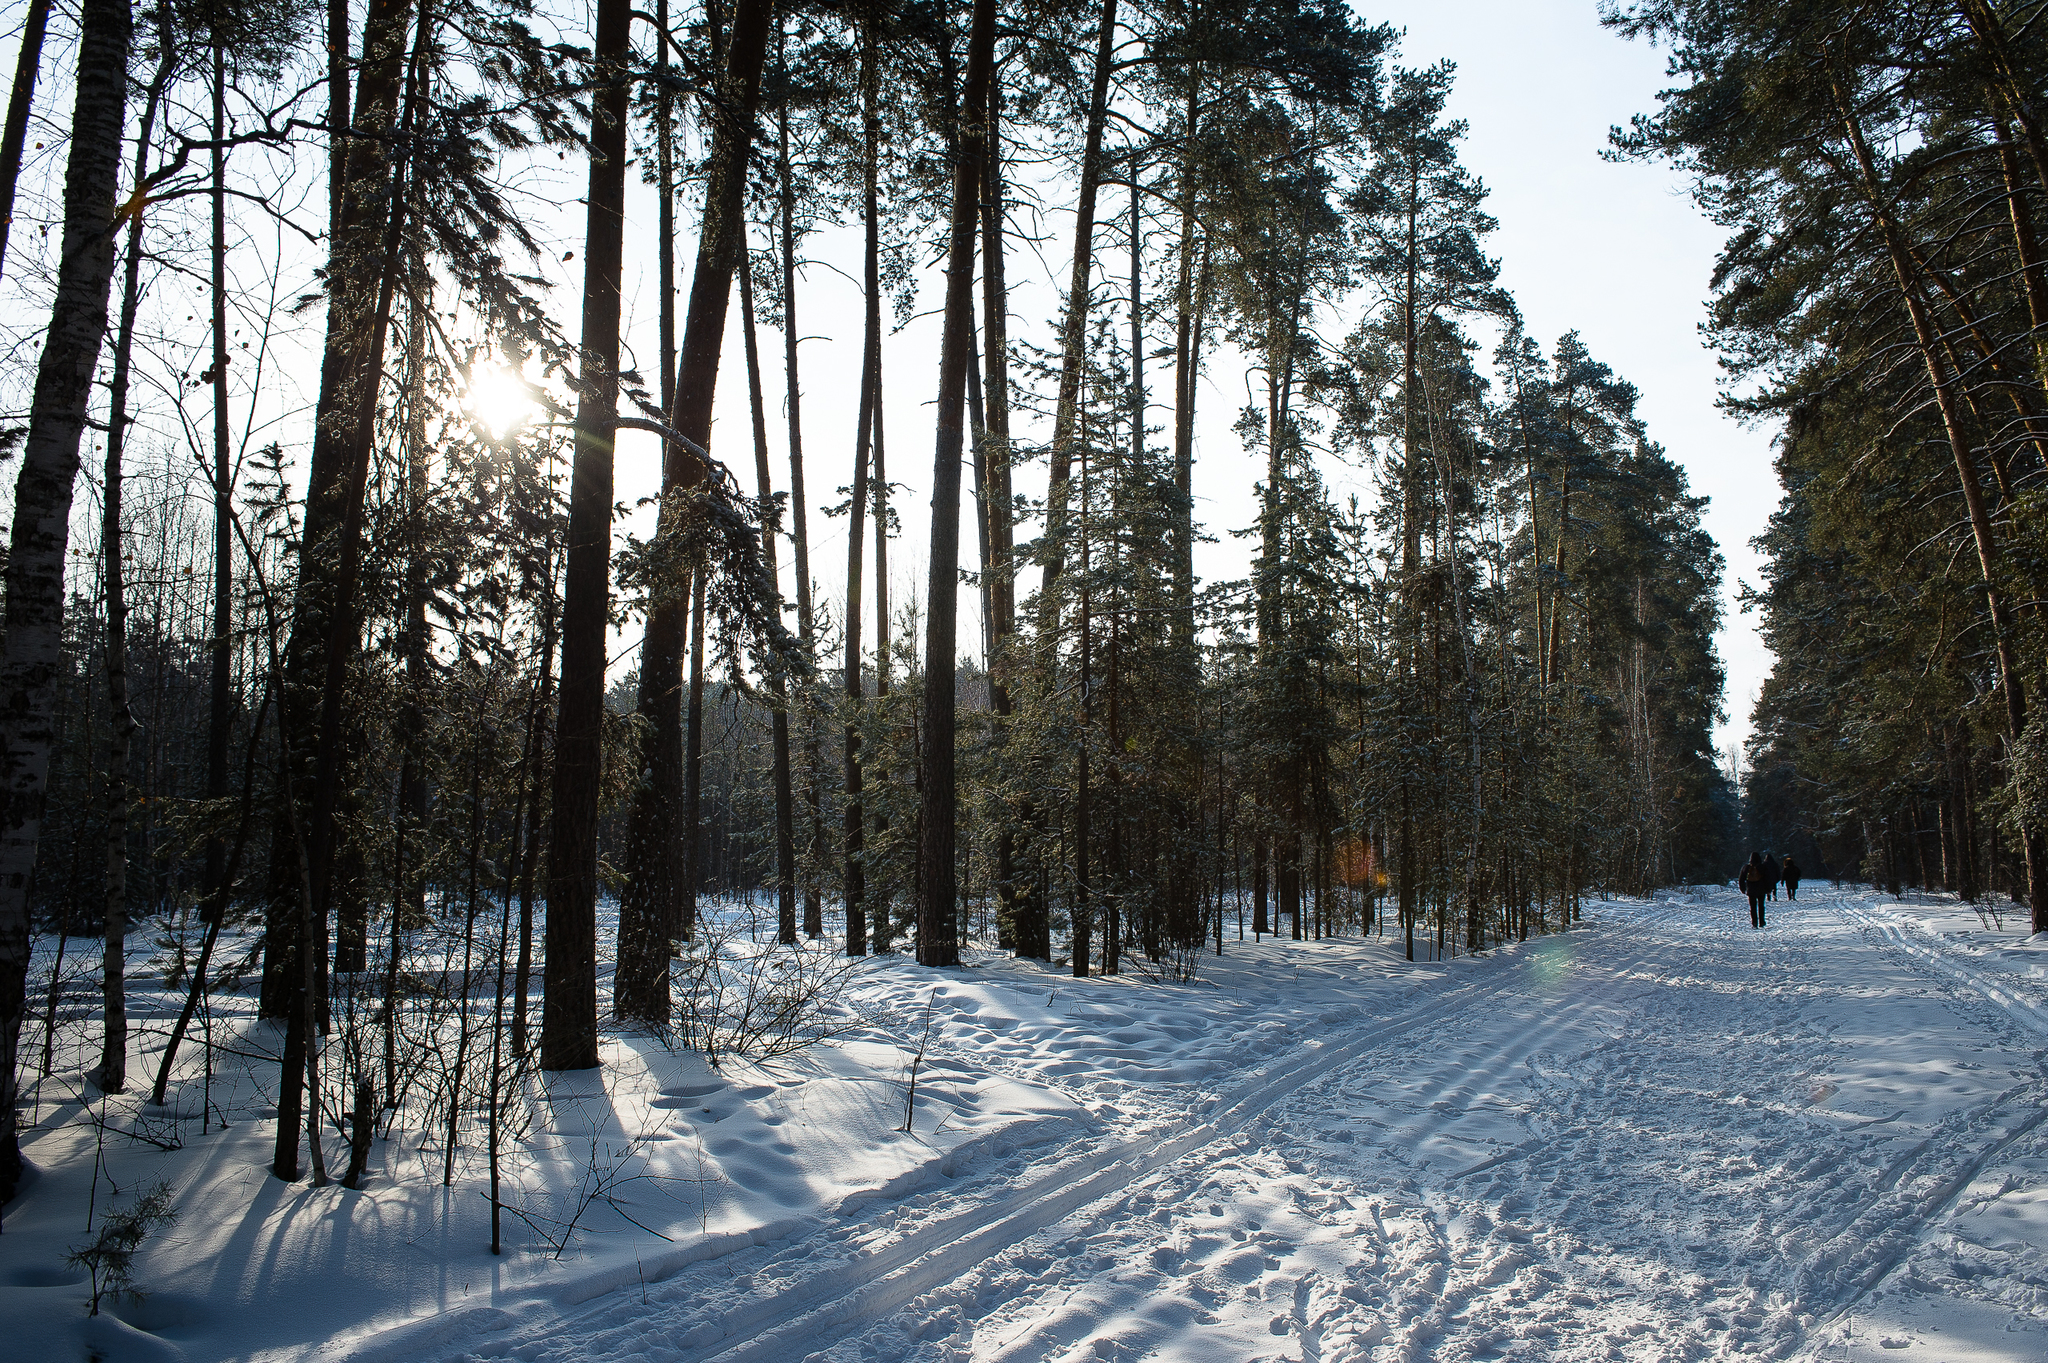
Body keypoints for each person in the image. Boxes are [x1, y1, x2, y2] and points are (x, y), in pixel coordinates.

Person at [1740, 851, 1768, 928]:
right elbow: (1767, 878)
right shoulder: (1762, 867)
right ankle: (1762, 922)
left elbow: (1741, 879)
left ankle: (1754, 922)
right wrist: (1768, 889)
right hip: (1761, 889)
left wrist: (1743, 888)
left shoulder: (1746, 867)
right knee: (1761, 906)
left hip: (1751, 890)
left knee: (1753, 907)